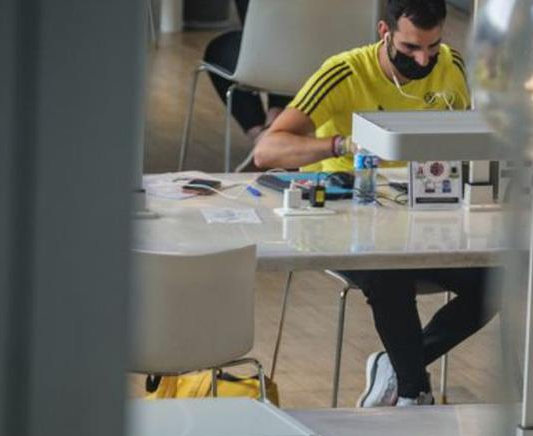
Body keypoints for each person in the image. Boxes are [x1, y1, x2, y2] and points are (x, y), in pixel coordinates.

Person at [255, 0, 491, 407]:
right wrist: (342, 143)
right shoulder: (344, 72)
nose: (423, 60)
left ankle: (397, 364)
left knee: (498, 278)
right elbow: (268, 151)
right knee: (390, 270)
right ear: (385, 31)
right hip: (345, 213)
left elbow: (466, 136)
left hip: (421, 213)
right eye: (411, 48)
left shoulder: (451, 65)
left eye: (432, 48)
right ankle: (413, 392)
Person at [202, 0, 293, 150]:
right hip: (333, 56)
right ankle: (269, 131)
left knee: (219, 51)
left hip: (286, 55)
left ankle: (264, 137)